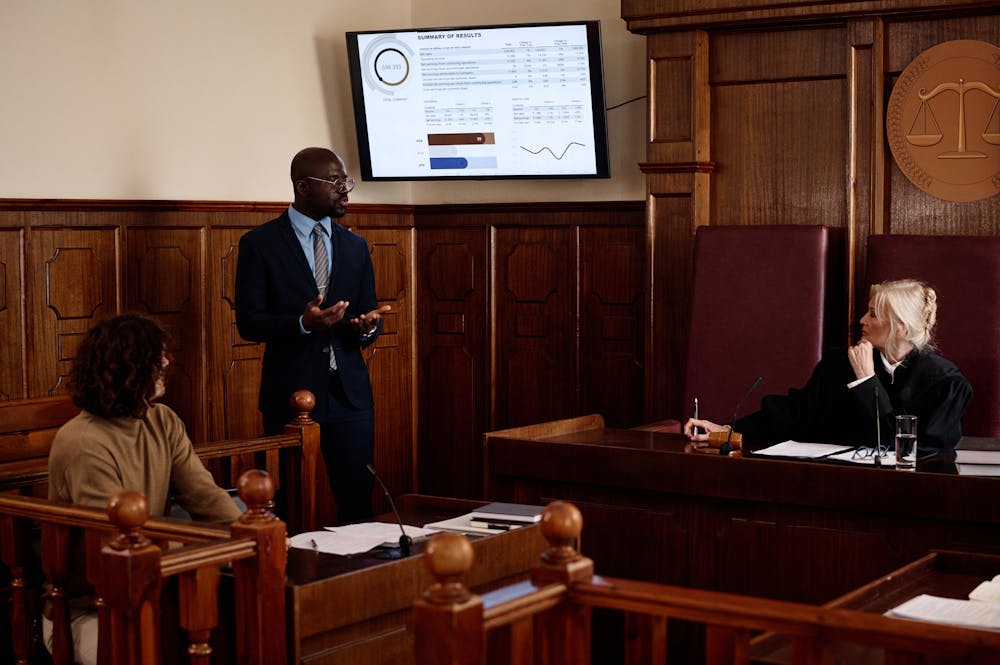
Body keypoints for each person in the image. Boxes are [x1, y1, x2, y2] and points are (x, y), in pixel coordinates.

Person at [46, 313, 242, 665]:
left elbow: (205, 495)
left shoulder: (162, 419)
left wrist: (253, 535)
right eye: (156, 356)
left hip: (157, 582)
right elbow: (115, 540)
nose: (166, 362)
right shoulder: (82, 440)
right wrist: (208, 547)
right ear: (127, 367)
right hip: (93, 604)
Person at [234, 146, 389, 525]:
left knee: (357, 504)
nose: (345, 191)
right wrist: (303, 324)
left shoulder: (354, 246)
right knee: (286, 506)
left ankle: (357, 583)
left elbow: (367, 310)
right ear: (303, 187)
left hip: (350, 395)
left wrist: (366, 327)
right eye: (336, 182)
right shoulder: (260, 244)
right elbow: (249, 323)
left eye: (346, 181)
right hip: (290, 394)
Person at [683, 279, 973, 454]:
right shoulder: (839, 362)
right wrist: (728, 430)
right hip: (837, 486)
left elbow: (912, 451)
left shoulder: (945, 383)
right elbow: (795, 413)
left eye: (872, 314)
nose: (862, 320)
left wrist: (867, 383)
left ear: (899, 326)